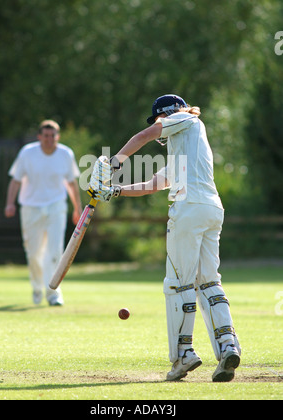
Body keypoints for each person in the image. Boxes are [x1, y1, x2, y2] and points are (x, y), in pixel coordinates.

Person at [89, 94, 241, 383]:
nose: (160, 128)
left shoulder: (186, 119)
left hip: (188, 210)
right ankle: (227, 347)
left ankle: (184, 355)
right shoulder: (185, 146)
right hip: (212, 210)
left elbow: (144, 135)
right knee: (208, 281)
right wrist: (115, 191)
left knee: (177, 284)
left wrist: (115, 162)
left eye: (160, 118)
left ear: (167, 114)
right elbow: (153, 184)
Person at [5, 120, 82, 306]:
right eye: (46, 136)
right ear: (39, 137)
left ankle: (53, 293)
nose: (49, 139)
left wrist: (77, 208)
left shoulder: (65, 154)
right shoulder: (27, 153)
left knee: (55, 251)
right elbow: (16, 180)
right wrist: (10, 203)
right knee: (33, 253)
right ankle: (37, 286)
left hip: (56, 207)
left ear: (58, 136)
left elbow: (71, 183)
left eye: (53, 136)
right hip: (31, 207)